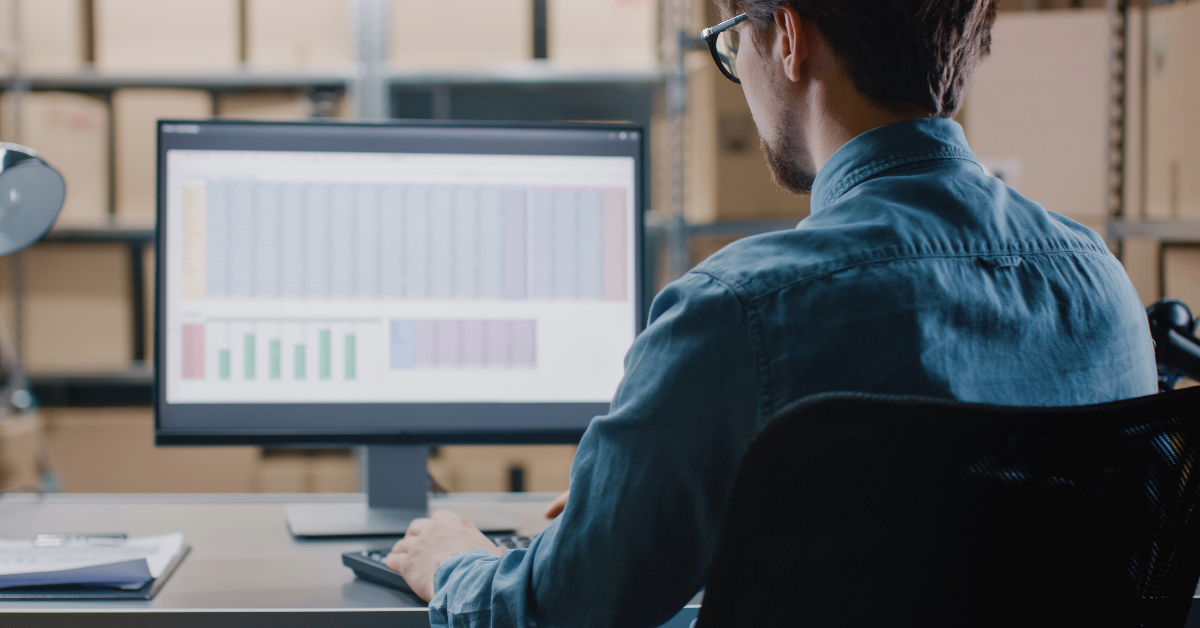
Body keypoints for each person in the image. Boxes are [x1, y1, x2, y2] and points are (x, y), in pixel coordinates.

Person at [387, 0, 1158, 625]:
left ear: (787, 37)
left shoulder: (739, 312)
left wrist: (456, 561)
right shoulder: (1101, 284)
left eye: (730, 42)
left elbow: (556, 614)